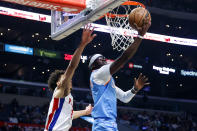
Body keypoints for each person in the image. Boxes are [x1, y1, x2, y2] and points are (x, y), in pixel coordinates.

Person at [88, 20, 151, 131]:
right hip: (103, 124)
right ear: (93, 65)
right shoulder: (97, 74)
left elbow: (125, 98)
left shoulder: (107, 81)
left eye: (104, 58)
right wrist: (140, 36)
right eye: (100, 58)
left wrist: (135, 89)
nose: (104, 59)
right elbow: (123, 58)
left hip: (110, 124)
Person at [45, 25, 96, 131]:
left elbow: (69, 115)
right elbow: (72, 66)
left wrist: (85, 112)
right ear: (58, 84)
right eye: (64, 77)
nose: (68, 78)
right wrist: (82, 45)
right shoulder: (59, 91)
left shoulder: (65, 98)